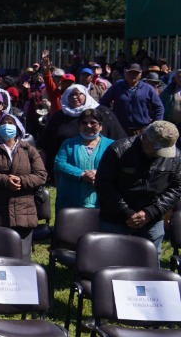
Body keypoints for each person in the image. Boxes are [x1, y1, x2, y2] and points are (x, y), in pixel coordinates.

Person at [95, 120, 181, 258]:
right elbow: (104, 185)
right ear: (144, 137)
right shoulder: (118, 150)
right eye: (157, 148)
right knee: (113, 260)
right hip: (116, 218)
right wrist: (128, 213)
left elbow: (176, 188)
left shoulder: (176, 157)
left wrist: (150, 212)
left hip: (152, 220)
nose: (160, 154)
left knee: (150, 263)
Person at [0, 113, 47, 261]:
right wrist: (5, 180)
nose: (7, 126)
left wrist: (21, 181)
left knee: (22, 256)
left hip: (24, 211)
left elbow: (41, 175)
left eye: (11, 123)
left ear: (18, 128)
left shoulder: (29, 150)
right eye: (3, 123)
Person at [53, 110, 113, 210]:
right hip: (71, 202)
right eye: (84, 123)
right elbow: (59, 164)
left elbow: (116, 167)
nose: (88, 126)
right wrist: (82, 174)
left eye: (93, 122)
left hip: (102, 203)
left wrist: (98, 174)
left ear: (101, 126)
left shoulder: (111, 145)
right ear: (79, 126)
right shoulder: (68, 144)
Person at [100, 63, 165, 135]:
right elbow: (103, 103)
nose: (132, 75)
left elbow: (159, 107)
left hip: (142, 129)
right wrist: (111, 116)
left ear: (140, 74)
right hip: (120, 128)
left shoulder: (148, 88)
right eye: (130, 72)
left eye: (136, 73)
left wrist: (155, 124)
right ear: (125, 73)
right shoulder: (117, 87)